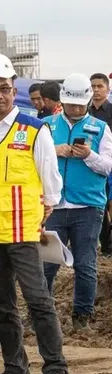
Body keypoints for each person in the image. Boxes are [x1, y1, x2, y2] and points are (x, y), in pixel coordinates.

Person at [0, 53, 69, 374]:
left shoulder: (34, 129)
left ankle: (56, 368)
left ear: (13, 90)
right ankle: (14, 368)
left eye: (4, 88)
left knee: (38, 300)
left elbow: (50, 182)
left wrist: (45, 210)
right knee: (1, 305)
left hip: (24, 230)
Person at [43, 73, 112, 331]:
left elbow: (108, 166)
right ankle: (42, 313)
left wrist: (89, 155)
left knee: (85, 264)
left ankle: (82, 316)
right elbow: (32, 160)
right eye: (71, 104)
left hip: (88, 207)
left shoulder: (101, 128)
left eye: (79, 105)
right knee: (47, 264)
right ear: (63, 101)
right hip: (54, 206)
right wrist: (54, 150)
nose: (75, 109)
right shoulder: (46, 126)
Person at [90, 73, 112, 256]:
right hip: (90, 165)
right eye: (93, 87)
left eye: (99, 86)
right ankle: (104, 245)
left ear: (107, 88)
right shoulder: (85, 112)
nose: (96, 90)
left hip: (108, 163)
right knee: (100, 206)